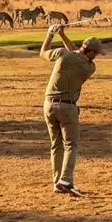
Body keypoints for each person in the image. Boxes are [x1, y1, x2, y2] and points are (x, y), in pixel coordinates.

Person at [39, 24, 102, 197]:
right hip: (67, 108)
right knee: (71, 145)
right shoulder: (89, 67)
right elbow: (76, 54)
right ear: (90, 52)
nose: (96, 57)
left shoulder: (62, 54)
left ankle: (57, 183)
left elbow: (43, 52)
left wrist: (52, 34)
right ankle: (65, 181)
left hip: (48, 105)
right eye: (96, 54)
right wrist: (63, 35)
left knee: (56, 145)